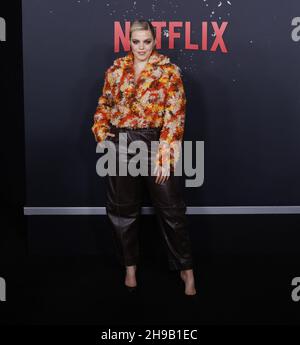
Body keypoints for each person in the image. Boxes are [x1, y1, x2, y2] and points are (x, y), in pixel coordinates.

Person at [91, 20, 196, 296]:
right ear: (129, 41)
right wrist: (104, 136)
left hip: (154, 142)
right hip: (120, 142)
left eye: (146, 41)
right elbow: (103, 105)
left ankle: (186, 270)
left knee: (171, 209)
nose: (141, 47)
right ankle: (130, 268)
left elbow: (175, 117)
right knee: (121, 210)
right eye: (136, 41)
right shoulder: (115, 70)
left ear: (154, 41)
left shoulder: (169, 71)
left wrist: (166, 156)